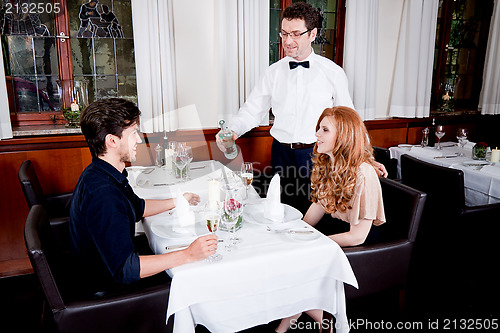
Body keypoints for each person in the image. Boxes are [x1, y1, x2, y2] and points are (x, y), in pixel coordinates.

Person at [216, 2, 386, 212]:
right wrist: (232, 131)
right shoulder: (273, 72)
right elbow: (252, 110)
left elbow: (350, 122)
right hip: (280, 153)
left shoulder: (332, 72)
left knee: (313, 215)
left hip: (317, 156)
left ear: (312, 34)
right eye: (284, 34)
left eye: (296, 34)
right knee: (281, 211)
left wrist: (367, 159)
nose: (288, 41)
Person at [69, 98, 217, 295]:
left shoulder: (102, 172)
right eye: (133, 134)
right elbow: (125, 269)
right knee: (197, 275)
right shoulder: (103, 194)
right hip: (109, 289)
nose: (139, 139)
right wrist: (188, 254)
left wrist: (179, 201)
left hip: (107, 270)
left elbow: (138, 208)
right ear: (112, 141)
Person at [275, 106, 386, 332]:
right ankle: (314, 322)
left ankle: (301, 323)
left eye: (324, 130)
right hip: (337, 230)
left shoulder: (364, 173)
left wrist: (311, 243)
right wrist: (294, 232)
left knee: (301, 261)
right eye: (319, 128)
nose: (316, 134)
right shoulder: (329, 162)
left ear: (343, 136)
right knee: (287, 252)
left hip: (362, 243)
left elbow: (357, 236)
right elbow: (318, 207)